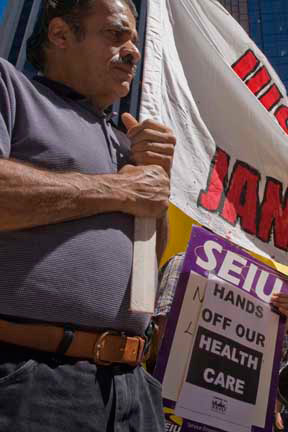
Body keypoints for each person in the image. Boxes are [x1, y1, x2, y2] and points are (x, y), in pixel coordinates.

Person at [0, 0, 176, 431]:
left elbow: (147, 269)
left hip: (134, 388)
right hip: (33, 378)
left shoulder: (127, 140)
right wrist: (118, 188)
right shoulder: (10, 86)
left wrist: (158, 182)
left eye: (134, 39)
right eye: (116, 35)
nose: (133, 51)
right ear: (61, 35)